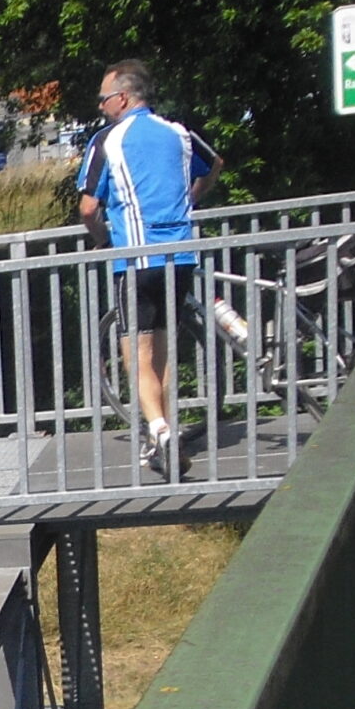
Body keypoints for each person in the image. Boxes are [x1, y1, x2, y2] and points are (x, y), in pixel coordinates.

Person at [79, 59, 223, 482]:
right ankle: (162, 428)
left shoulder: (108, 140)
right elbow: (214, 163)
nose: (102, 106)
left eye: (104, 99)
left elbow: (88, 207)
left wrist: (102, 238)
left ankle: (159, 433)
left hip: (136, 259)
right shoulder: (177, 132)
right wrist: (189, 201)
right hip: (179, 256)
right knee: (161, 349)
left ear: (122, 98)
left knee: (136, 353)